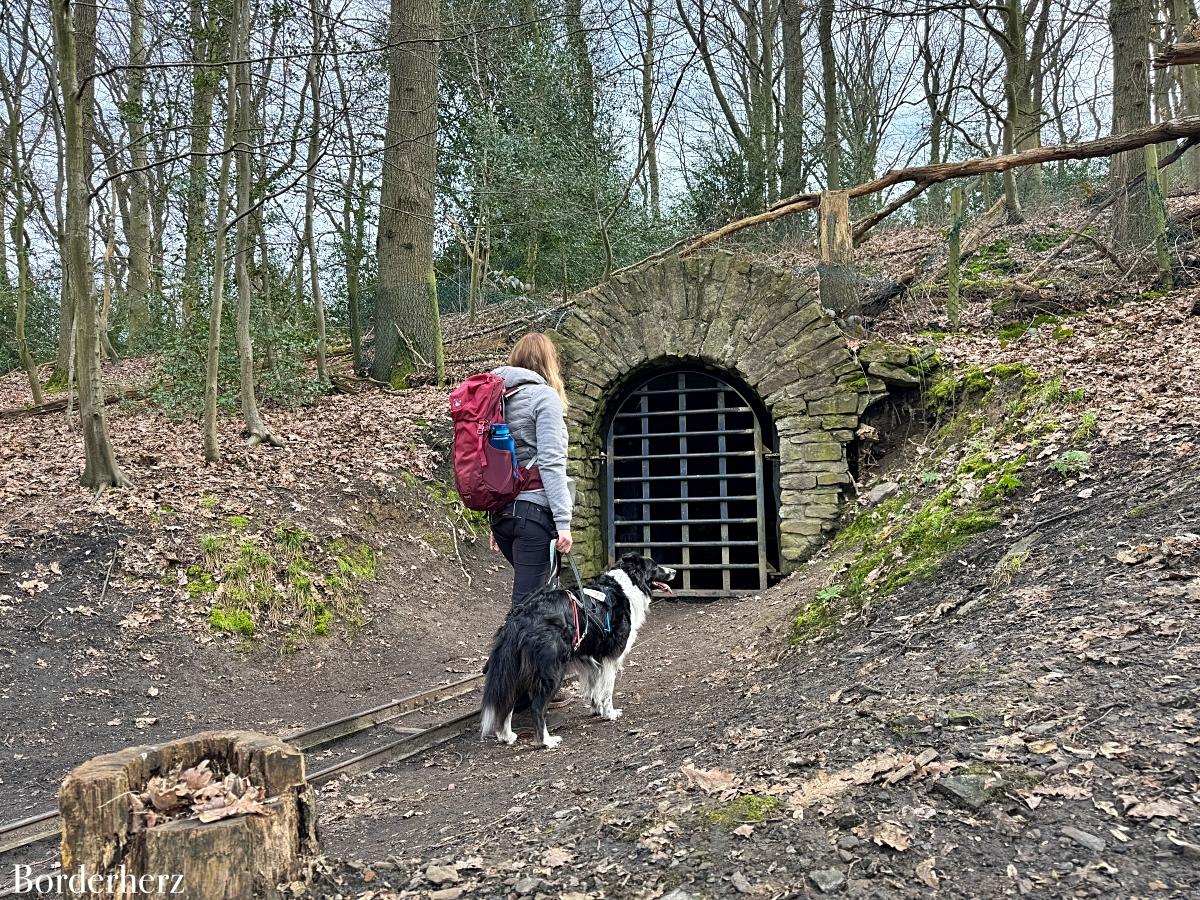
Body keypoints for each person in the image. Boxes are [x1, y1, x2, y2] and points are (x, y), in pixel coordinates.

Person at [488, 333, 574, 605]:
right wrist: (563, 521)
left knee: (539, 602)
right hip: (532, 516)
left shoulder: (497, 399)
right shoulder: (544, 397)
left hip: (502, 516)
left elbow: (494, 458)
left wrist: (497, 512)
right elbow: (551, 462)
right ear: (549, 362)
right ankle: (506, 650)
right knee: (527, 608)